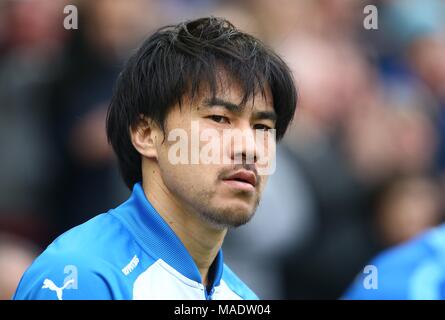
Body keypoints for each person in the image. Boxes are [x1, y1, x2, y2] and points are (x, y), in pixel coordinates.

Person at [13, 17, 297, 300]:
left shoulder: (243, 298)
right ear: (146, 133)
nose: (249, 147)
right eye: (219, 118)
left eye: (262, 127)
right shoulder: (80, 278)